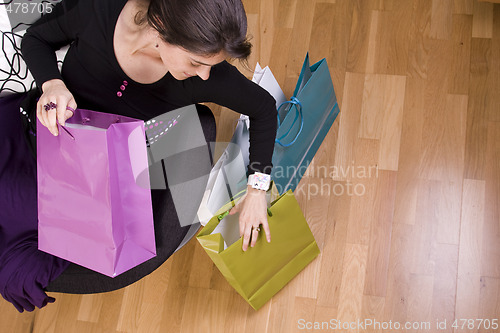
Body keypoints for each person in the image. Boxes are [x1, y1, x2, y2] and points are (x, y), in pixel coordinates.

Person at [0, 0, 277, 312]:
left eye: (210, 65)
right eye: (196, 62)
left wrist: (257, 189)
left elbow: (264, 109)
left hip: (99, 177)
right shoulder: (100, 10)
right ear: (161, 28)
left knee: (26, 237)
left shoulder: (207, 77)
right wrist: (53, 84)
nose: (203, 76)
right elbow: (36, 38)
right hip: (42, 138)